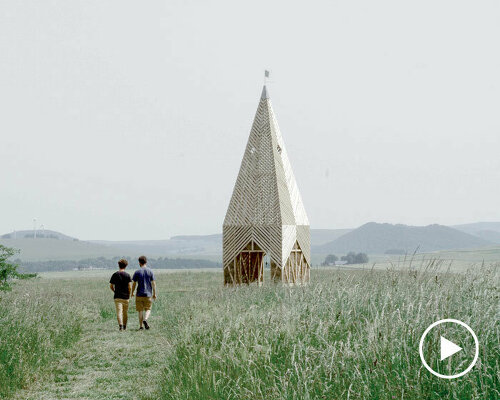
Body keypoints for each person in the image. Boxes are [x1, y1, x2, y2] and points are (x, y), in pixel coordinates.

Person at [131, 255, 156, 330]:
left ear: (139, 263)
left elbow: (134, 283)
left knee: (140, 310)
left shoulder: (137, 272)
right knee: (148, 309)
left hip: (139, 294)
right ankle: (145, 319)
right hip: (148, 294)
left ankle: (141, 326)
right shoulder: (150, 271)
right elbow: (153, 283)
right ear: (146, 262)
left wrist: (132, 292)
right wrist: (154, 294)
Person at [109, 258, 132, 331]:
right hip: (126, 297)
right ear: (126, 266)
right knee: (125, 312)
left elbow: (111, 286)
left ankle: (120, 326)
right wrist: (129, 294)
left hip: (117, 296)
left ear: (119, 265)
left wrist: (115, 291)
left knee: (119, 312)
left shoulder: (115, 274)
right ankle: (125, 326)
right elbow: (130, 287)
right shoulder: (127, 275)